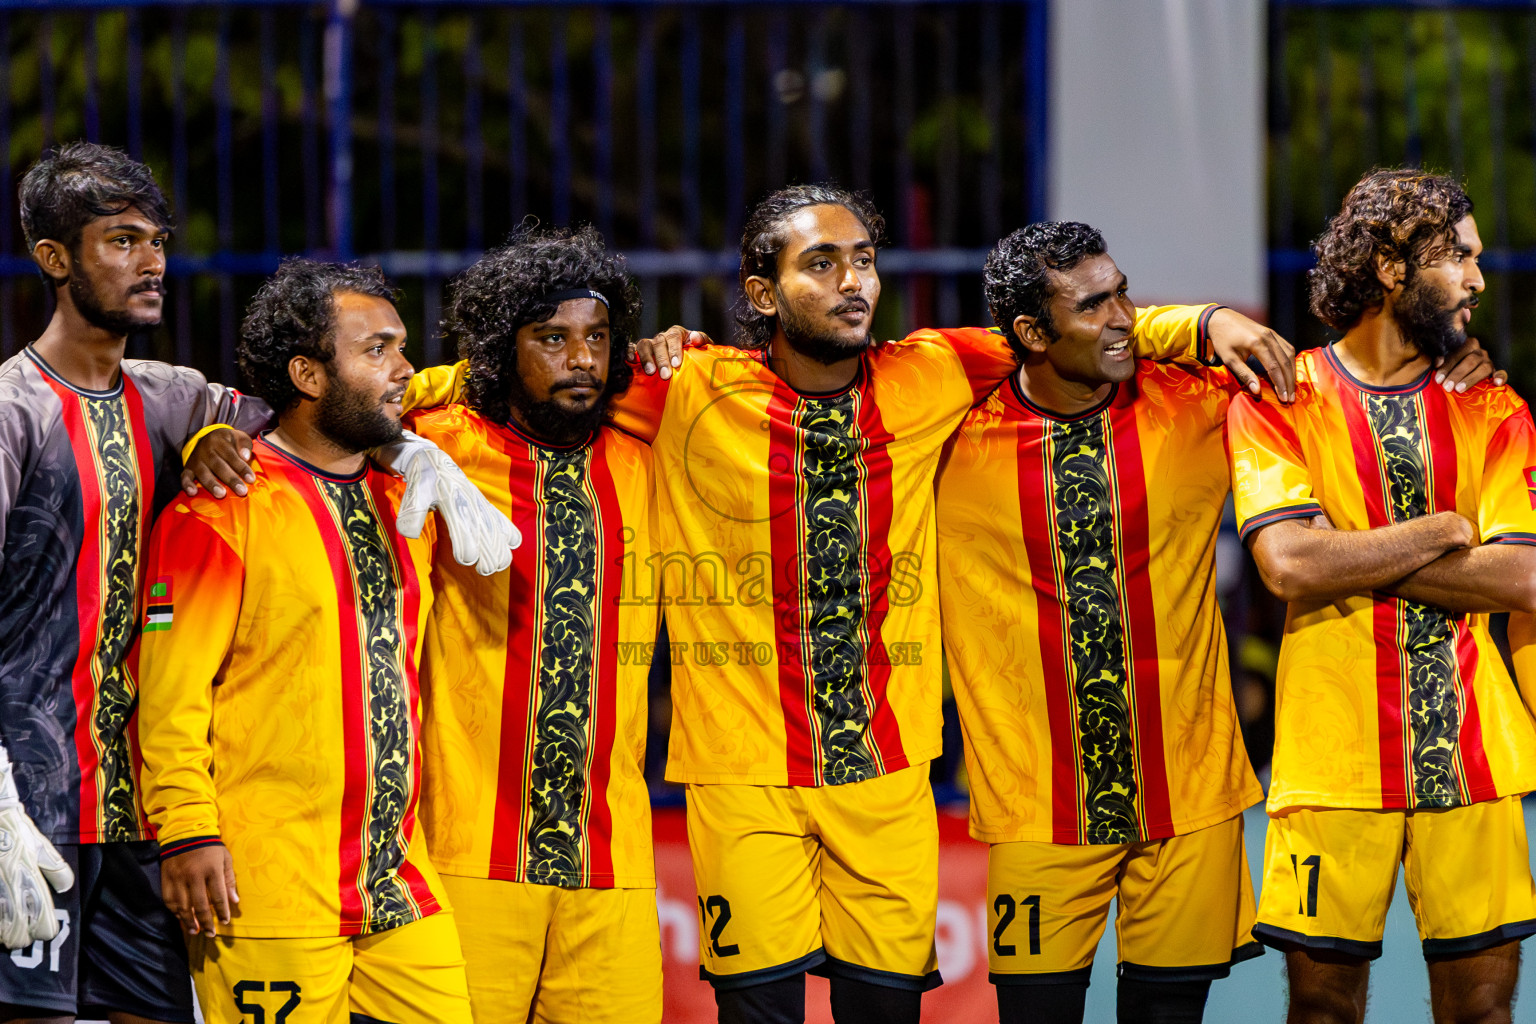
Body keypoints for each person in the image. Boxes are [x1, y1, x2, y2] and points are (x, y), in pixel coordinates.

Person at [395, 183, 1296, 1024]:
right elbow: (505, 378)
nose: (853, 279)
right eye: (820, 264)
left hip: (890, 778)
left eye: (862, 258)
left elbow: (1080, 331)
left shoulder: (935, 371)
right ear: (761, 292)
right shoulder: (684, 389)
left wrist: (1207, 320)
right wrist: (289, 411)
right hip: (742, 775)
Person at [934, 221, 1268, 1024]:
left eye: (1122, 291)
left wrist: (1208, 319)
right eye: (1094, 304)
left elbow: (1342, 393)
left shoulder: (1198, 405)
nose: (1122, 315)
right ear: (1029, 333)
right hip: (1036, 809)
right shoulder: (947, 435)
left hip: (1190, 799)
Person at [1229, 169, 1536, 1024]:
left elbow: (1525, 577)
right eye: (1458, 258)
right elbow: (1288, 564)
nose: (1478, 279)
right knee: (1323, 1011)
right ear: (1394, 266)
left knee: (1482, 1010)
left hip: (1478, 761)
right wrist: (1443, 529)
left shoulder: (1491, 403)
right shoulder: (1283, 394)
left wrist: (1347, 551)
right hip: (1333, 762)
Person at [134, 259, 472, 1024]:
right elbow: (169, 697)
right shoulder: (220, 512)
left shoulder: (404, 499)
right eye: (378, 350)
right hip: (267, 888)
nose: (403, 371)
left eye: (404, 348)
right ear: (308, 375)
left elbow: (465, 382)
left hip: (399, 884)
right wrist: (187, 832)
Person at [0, 142, 265, 1024]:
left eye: (157, 239)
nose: (152, 260)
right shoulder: (11, 414)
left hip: (144, 816)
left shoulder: (175, 396)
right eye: (122, 240)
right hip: (27, 812)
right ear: (55, 259)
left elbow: (315, 415)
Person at [403, 227, 664, 1022]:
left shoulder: (649, 448)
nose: (581, 358)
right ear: (499, 351)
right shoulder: (438, 450)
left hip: (611, 862)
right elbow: (338, 407)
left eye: (596, 337)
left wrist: (672, 346)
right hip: (469, 852)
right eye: (551, 338)